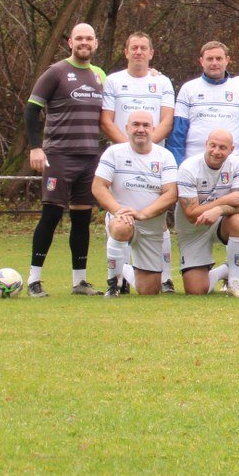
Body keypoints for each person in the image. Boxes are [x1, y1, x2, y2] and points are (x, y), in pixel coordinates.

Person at [169, 41, 239, 292]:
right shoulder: (189, 89)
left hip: (228, 170)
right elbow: (178, 132)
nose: (214, 63)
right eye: (209, 58)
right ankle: (222, 271)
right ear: (201, 61)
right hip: (195, 174)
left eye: (218, 58)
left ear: (227, 60)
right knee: (195, 290)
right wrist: (177, 170)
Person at [24, 22, 107, 297]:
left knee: (82, 219)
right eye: (79, 38)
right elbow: (31, 110)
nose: (85, 42)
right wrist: (36, 148)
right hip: (59, 156)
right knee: (51, 215)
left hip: (89, 158)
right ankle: (34, 279)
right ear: (70, 42)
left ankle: (79, 282)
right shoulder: (56, 71)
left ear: (96, 43)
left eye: (89, 38)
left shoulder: (99, 75)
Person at [99, 30, 176, 292]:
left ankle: (156, 276)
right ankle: (115, 281)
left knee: (159, 221)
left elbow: (167, 119)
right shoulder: (113, 81)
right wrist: (129, 148)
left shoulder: (162, 81)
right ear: (126, 52)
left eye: (144, 48)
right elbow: (106, 120)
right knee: (122, 223)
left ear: (151, 53)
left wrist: (148, 143)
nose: (139, 52)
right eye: (134, 47)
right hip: (123, 159)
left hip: (153, 159)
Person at [91, 110, 179, 296]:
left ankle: (122, 267)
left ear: (153, 129)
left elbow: (171, 194)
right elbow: (99, 187)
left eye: (146, 125)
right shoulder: (114, 152)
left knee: (149, 291)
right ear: (127, 129)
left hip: (150, 227)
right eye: (136, 125)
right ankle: (113, 285)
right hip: (121, 220)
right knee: (122, 226)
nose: (141, 130)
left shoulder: (165, 156)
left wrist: (143, 214)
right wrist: (119, 211)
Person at [173, 129, 239, 297]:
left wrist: (219, 210)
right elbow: (190, 213)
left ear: (231, 150)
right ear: (206, 145)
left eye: (222, 147)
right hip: (192, 229)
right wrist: (223, 201)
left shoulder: (236, 164)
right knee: (196, 291)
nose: (216, 151)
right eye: (213, 145)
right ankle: (225, 270)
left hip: (219, 222)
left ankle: (234, 282)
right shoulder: (188, 168)